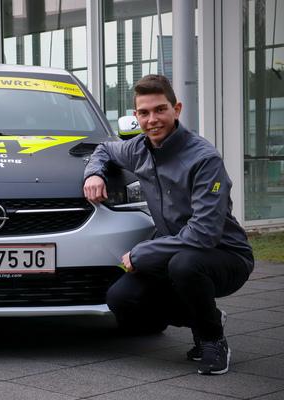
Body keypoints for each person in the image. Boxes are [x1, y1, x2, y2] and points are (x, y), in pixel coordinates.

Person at [83, 75, 254, 375]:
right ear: (136, 116)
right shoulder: (138, 149)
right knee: (121, 299)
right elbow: (104, 150)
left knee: (184, 265)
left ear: (177, 109)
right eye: (144, 113)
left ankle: (212, 339)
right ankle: (207, 316)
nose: (152, 120)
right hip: (173, 251)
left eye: (160, 110)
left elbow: (204, 234)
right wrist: (94, 174)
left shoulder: (204, 159)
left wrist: (142, 253)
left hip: (224, 254)